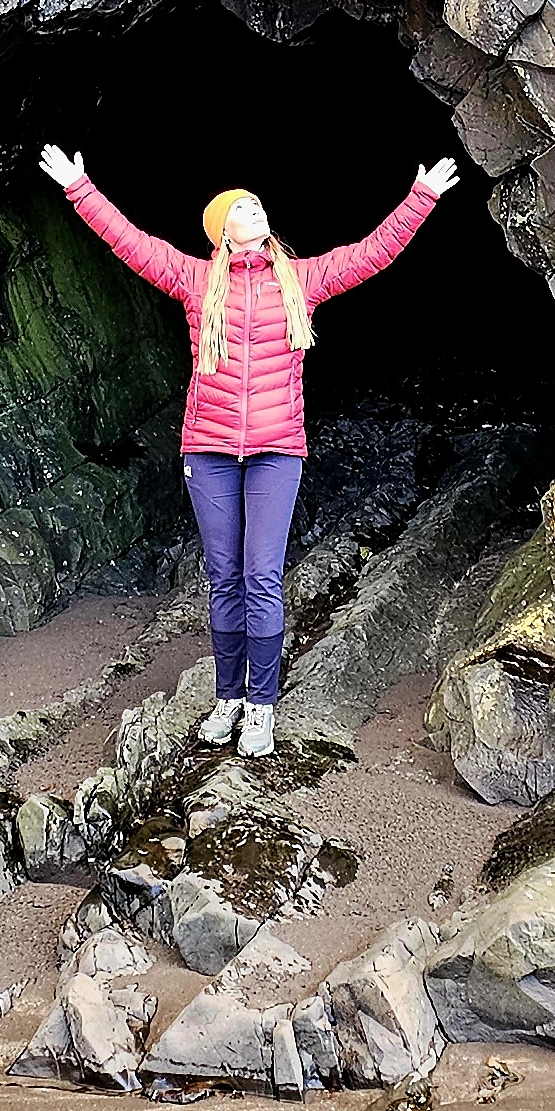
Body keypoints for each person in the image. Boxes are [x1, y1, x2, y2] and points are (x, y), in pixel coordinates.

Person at [39, 143, 457, 757]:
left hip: (276, 450)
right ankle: (227, 696)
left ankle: (260, 706)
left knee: (262, 575)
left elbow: (370, 255)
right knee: (224, 576)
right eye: (243, 205)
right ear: (223, 230)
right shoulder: (195, 279)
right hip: (207, 448)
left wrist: (420, 198)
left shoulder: (300, 280)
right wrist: (80, 187)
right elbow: (129, 242)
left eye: (258, 204)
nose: (256, 208)